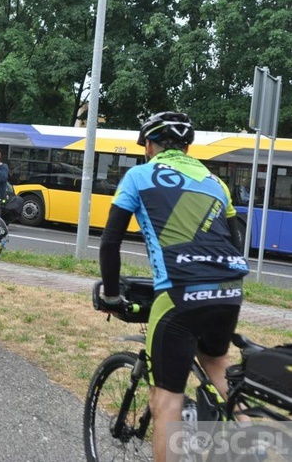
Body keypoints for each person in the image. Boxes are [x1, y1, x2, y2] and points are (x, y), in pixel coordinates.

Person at [98, 111, 249, 462]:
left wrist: (109, 294)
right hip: (229, 289)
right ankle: (260, 441)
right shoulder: (215, 182)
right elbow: (234, 241)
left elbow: (109, 241)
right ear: (186, 147)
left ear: (150, 146)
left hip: (180, 292)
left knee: (167, 399)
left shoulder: (138, 176)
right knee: (216, 361)